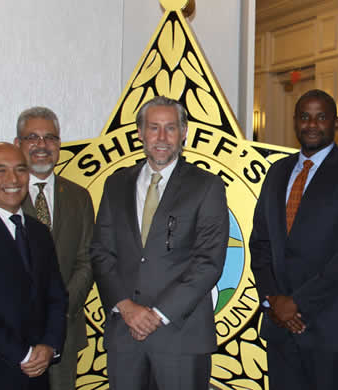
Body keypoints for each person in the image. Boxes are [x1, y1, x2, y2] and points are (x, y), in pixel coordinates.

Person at [90, 96, 229, 390]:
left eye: (170, 128)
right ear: (140, 132)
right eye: (154, 128)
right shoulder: (115, 184)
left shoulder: (207, 186)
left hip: (182, 336)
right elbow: (102, 253)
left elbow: (208, 262)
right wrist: (127, 309)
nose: (162, 137)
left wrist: (156, 315)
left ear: (184, 133)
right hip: (124, 336)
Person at [249, 89, 338, 390]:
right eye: (304, 116)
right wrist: (274, 299)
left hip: (329, 323)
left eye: (321, 117)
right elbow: (260, 243)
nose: (312, 124)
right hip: (280, 323)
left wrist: (297, 303)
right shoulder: (277, 172)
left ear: (335, 122)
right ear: (295, 121)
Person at [0, 107, 94, 390]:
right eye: (32, 138)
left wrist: (59, 312)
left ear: (59, 145)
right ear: (18, 144)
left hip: (63, 333)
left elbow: (87, 260)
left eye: (50, 138)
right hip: (11, 338)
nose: (42, 145)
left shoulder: (79, 196)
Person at [0, 143, 68, 389]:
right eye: (0, 171)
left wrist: (50, 346)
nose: (13, 179)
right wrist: (24, 354)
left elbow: (56, 296)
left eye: (20, 169)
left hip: (38, 372)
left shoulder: (38, 231)